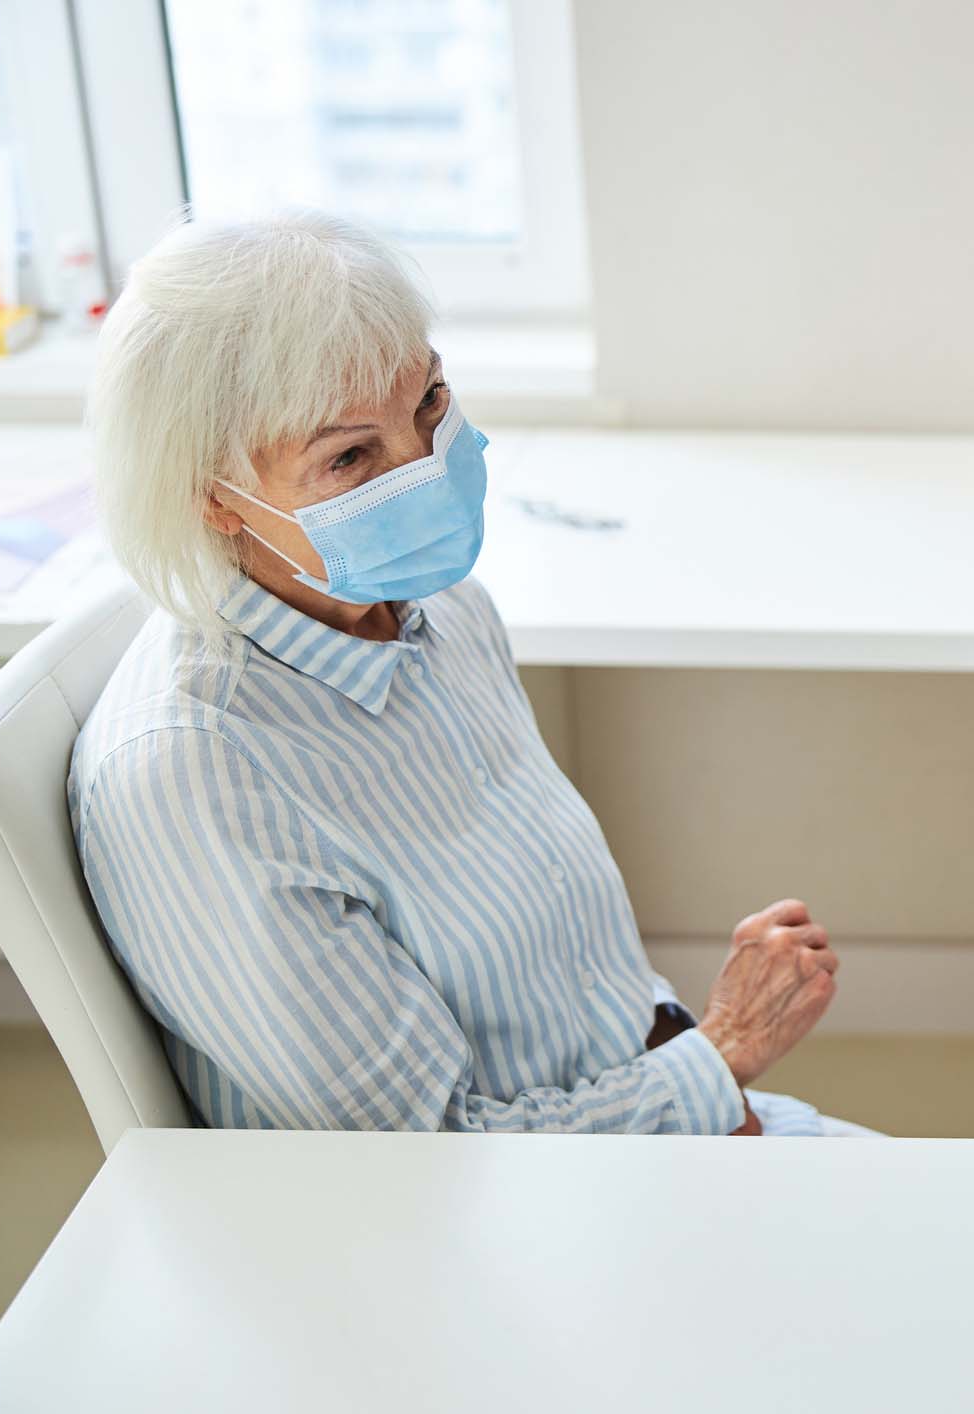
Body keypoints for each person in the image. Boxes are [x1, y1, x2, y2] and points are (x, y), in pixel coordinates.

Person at [72, 212, 863, 1137]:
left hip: (661, 1115)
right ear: (211, 497)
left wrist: (706, 1078)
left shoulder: (439, 606)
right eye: (350, 456)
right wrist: (723, 1052)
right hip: (515, 1229)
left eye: (430, 403)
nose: (425, 473)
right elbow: (431, 1161)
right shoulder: (198, 777)